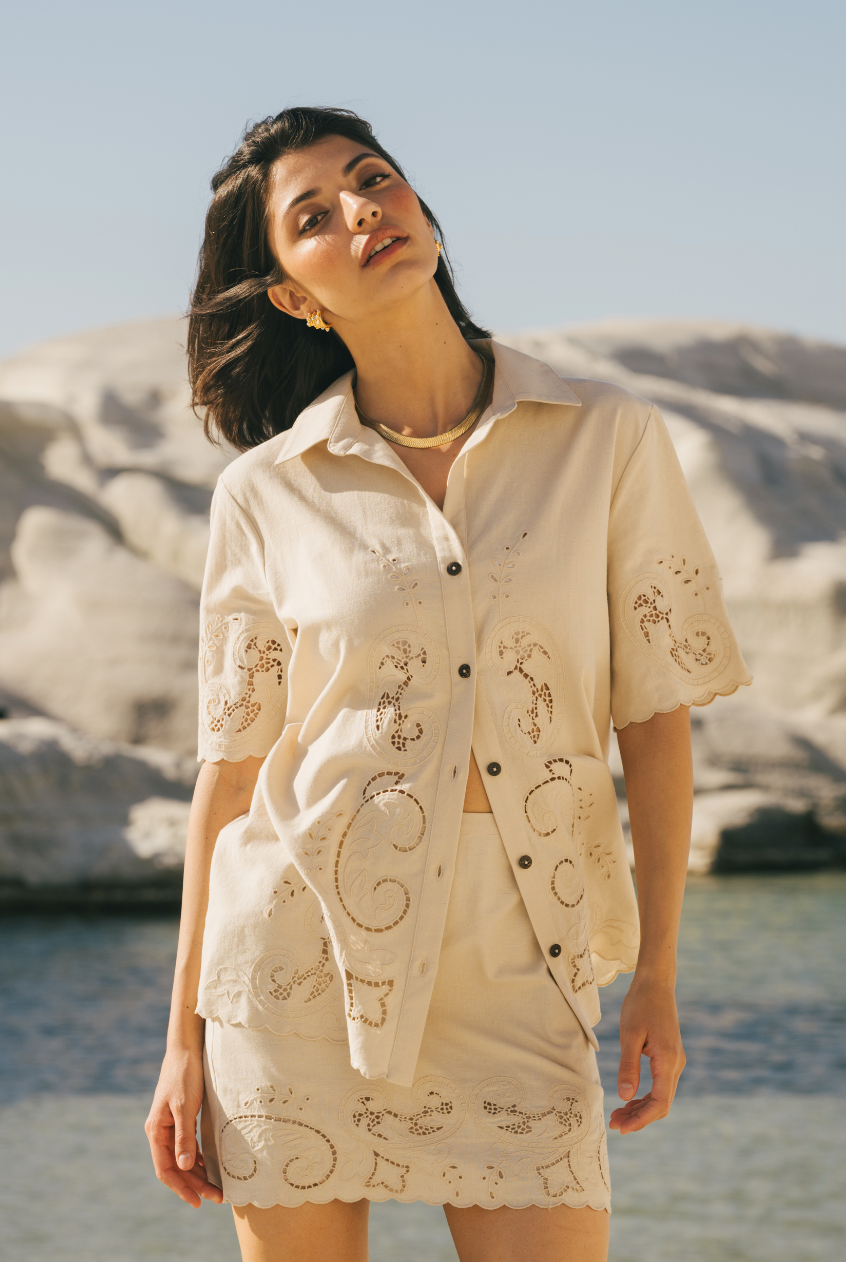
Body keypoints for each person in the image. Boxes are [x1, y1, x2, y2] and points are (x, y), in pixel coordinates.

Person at [145, 106, 751, 1262]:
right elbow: (229, 774)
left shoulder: (606, 440)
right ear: (292, 297)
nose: (361, 209)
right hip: (292, 975)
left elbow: (654, 715)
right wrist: (182, 1039)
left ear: (422, 207)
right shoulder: (267, 494)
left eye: (374, 180)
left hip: (525, 962)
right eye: (313, 216)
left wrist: (660, 975)